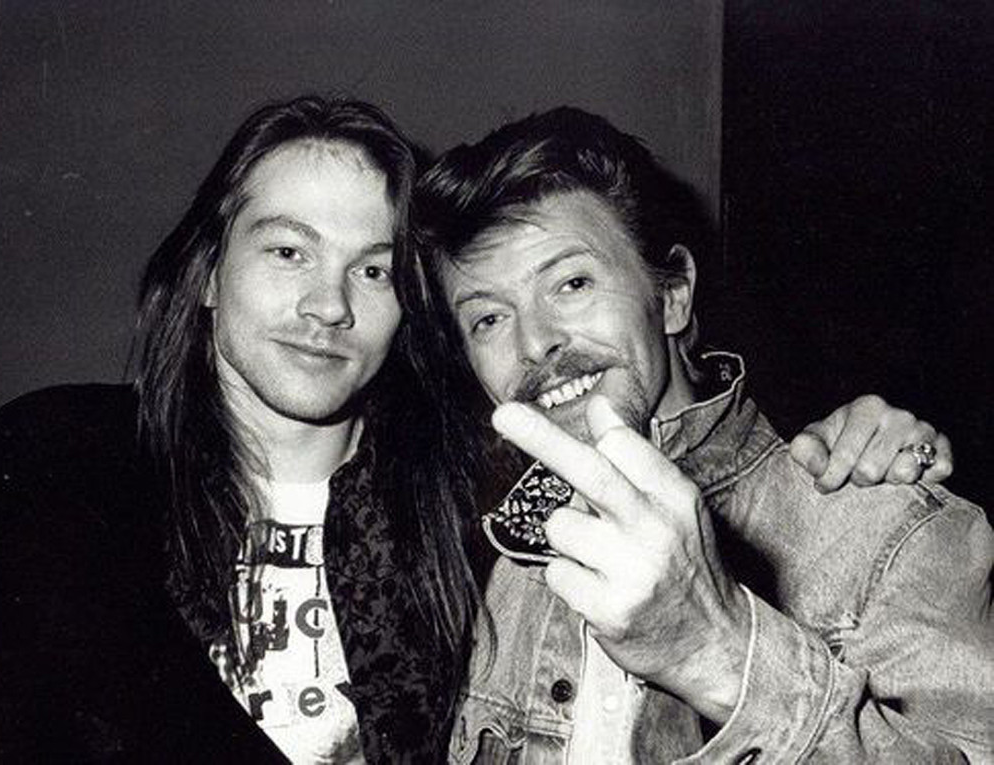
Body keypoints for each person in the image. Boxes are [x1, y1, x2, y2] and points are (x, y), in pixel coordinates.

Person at [0, 94, 957, 764]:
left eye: (371, 269)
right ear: (206, 274)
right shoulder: (57, 468)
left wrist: (845, 459)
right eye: (287, 251)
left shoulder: (465, 517)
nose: (327, 305)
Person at [406, 107, 993, 762]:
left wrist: (717, 650)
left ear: (674, 295)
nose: (535, 342)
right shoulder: (508, 564)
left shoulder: (890, 530)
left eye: (571, 283)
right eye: (488, 318)